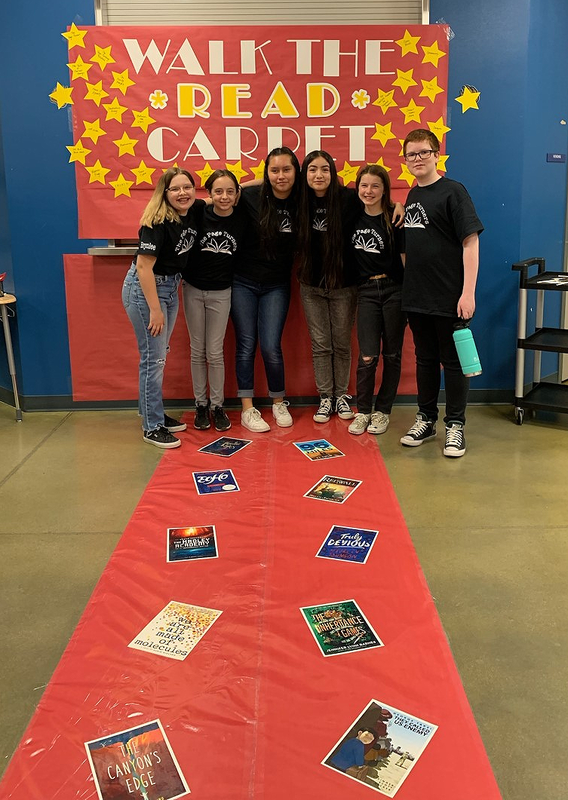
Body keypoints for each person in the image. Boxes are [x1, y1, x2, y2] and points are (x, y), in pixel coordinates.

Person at [400, 129, 483, 457]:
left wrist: (468, 293)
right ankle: (426, 418)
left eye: (423, 152)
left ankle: (456, 425)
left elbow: (471, 242)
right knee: (424, 360)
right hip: (417, 297)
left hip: (450, 296)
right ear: (405, 160)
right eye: (412, 154)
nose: (418, 159)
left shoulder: (453, 192)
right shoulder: (412, 195)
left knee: (454, 362)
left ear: (436, 154)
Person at [122, 167, 203, 449]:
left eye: (187, 187)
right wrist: (155, 310)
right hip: (147, 291)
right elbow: (144, 267)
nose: (183, 193)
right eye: (176, 189)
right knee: (153, 360)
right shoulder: (156, 222)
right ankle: (152, 426)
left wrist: (264, 180)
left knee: (158, 356)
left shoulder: (193, 211)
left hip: (170, 287)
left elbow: (231, 189)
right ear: (164, 193)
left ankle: (151, 412)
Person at [231, 147, 301, 432]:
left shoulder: (303, 200)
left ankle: (278, 401)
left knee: (271, 346)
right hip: (243, 281)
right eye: (274, 170)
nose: (280, 175)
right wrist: (254, 182)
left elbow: (336, 190)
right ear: (266, 173)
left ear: (296, 172)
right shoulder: (250, 197)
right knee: (246, 345)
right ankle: (248, 408)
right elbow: (231, 189)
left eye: (287, 170)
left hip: (277, 284)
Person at [182, 169, 248, 433]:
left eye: (230, 191)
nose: (224, 196)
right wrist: (208, 200)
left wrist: (238, 188)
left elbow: (248, 188)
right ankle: (201, 404)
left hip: (223, 291)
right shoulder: (198, 211)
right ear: (208, 194)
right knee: (197, 350)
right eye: (218, 191)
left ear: (237, 194)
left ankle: (217, 406)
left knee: (215, 351)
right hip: (193, 289)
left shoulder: (242, 219)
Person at [297, 150, 358, 423]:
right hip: (310, 285)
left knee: (342, 344)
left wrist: (399, 206)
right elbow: (266, 184)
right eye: (312, 169)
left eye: (324, 169)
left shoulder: (348, 198)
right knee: (321, 344)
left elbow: (379, 201)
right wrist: (238, 186)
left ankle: (341, 395)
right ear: (305, 174)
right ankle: (325, 398)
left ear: (332, 173)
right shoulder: (298, 199)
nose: (318, 175)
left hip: (344, 285)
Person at [347, 164, 406, 436]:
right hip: (366, 291)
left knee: (392, 355)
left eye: (375, 186)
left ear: (384, 190)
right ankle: (363, 411)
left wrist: (399, 205)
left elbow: (405, 261)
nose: (368, 191)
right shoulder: (351, 217)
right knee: (368, 355)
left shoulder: (395, 219)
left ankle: (383, 411)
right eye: (364, 185)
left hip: (394, 289)